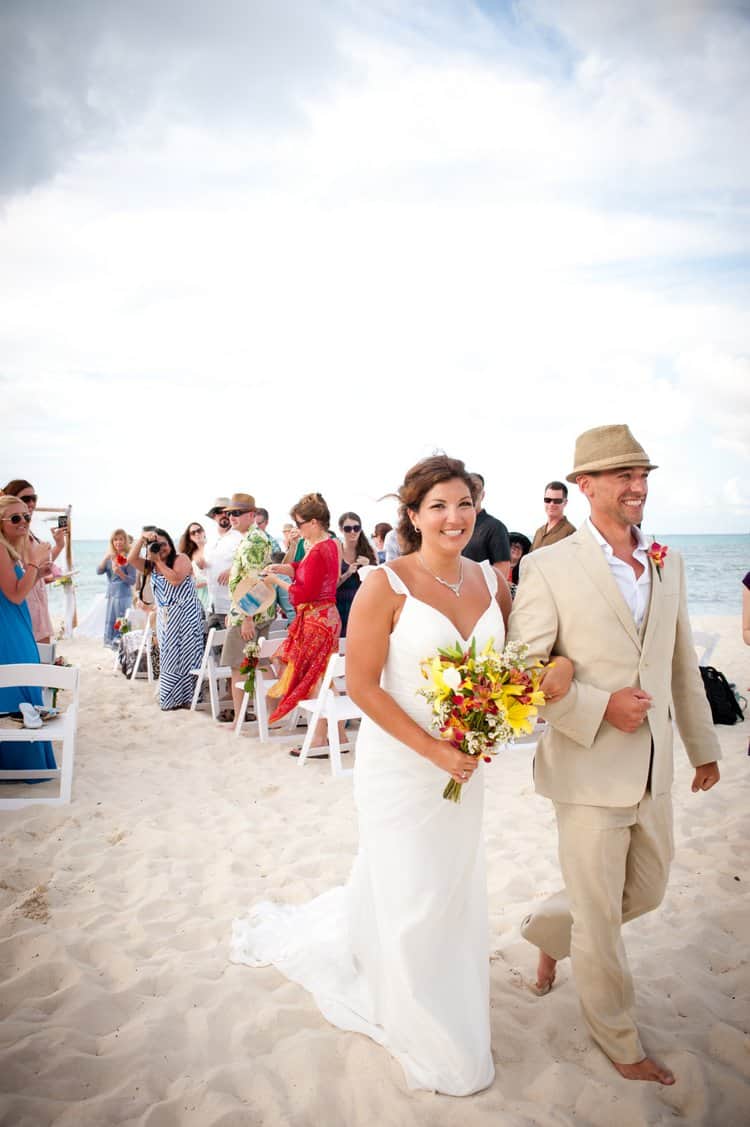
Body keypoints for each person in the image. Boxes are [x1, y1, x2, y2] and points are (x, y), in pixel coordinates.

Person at [233, 456, 572, 1094]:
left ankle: (440, 978)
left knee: (450, 884)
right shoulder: (384, 585)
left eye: (465, 504)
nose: (454, 517)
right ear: (412, 516)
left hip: (465, 765)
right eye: (439, 506)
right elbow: (361, 686)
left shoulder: (493, 584)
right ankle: (424, 1021)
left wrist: (537, 687)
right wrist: (434, 750)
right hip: (401, 764)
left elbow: (517, 665)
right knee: (412, 886)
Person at [508, 424, 721, 1086]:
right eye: (622, 474)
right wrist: (598, 706)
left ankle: (548, 931)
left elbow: (680, 658)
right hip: (586, 764)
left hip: (656, 767)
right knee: (600, 920)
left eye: (643, 474)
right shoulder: (546, 565)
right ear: (585, 485)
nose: (637, 486)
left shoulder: (668, 560)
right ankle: (620, 1040)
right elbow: (521, 671)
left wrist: (702, 744)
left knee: (647, 889)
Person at [265, 493, 341, 744]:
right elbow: (305, 571)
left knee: (316, 677)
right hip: (326, 616)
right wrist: (285, 569)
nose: (298, 529)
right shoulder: (328, 544)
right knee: (322, 675)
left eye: (300, 524)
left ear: (314, 522)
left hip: (316, 618)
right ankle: (336, 735)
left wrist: (276, 581)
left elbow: (302, 593)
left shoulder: (319, 549)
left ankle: (320, 737)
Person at [0, 494, 56, 777]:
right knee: (16, 687)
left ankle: (19, 765)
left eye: (26, 517)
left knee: (23, 685)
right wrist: (34, 562)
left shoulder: (8, 548)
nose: (23, 522)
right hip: (7, 629)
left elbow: (18, 587)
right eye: (15, 518)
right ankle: (20, 767)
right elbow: (14, 594)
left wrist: (37, 570)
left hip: (16, 624)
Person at [127, 528, 204, 710]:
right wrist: (141, 539)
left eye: (164, 544)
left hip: (186, 615)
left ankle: (188, 698)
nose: (161, 548)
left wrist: (158, 562)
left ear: (170, 543)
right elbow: (131, 559)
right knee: (169, 657)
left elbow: (175, 579)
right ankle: (170, 699)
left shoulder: (181, 559)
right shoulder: (151, 565)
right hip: (166, 618)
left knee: (188, 656)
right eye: (157, 545)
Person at [223, 494, 275, 721]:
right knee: (260, 664)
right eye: (230, 513)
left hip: (250, 612)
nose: (231, 517)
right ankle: (273, 716)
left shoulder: (253, 540)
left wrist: (246, 617)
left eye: (237, 513)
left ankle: (240, 718)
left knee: (239, 666)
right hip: (251, 610)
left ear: (251, 515)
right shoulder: (252, 538)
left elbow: (253, 581)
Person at [2, 479, 68, 643]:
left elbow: (35, 564)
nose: (31, 503)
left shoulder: (27, 532)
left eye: (34, 498)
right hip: (24, 604)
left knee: (41, 660)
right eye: (26, 499)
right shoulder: (12, 537)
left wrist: (59, 545)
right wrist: (36, 563)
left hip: (37, 601)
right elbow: (23, 569)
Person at [462, 472, 511, 582]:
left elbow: (502, 571)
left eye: (476, 490)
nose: (472, 495)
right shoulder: (455, 526)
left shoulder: (495, 527)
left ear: (482, 495)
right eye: (469, 490)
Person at [335, 512, 377, 636]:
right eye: (348, 529)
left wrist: (368, 567)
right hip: (340, 607)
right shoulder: (337, 552)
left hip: (363, 606)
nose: (353, 532)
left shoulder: (370, 551)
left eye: (356, 528)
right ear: (341, 530)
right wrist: (347, 574)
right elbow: (331, 586)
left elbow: (377, 584)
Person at [202, 497, 241, 630]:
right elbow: (204, 572)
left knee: (234, 650)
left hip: (232, 607)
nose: (224, 515)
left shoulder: (240, 537)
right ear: (214, 515)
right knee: (215, 648)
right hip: (213, 606)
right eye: (219, 511)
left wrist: (232, 570)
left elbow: (252, 566)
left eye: (228, 512)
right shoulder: (210, 540)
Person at [97, 529, 137, 646]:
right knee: (111, 620)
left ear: (125, 541)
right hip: (112, 595)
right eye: (115, 539)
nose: (118, 542)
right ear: (112, 542)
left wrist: (121, 573)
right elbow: (99, 571)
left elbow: (132, 580)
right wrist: (105, 558)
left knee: (122, 621)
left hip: (123, 595)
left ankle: (122, 645)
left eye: (121, 539)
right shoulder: (111, 557)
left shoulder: (129, 557)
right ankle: (111, 643)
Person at [530, 480, 576, 552]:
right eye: (547, 500)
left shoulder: (571, 532)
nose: (551, 504)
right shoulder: (539, 532)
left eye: (557, 501)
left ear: (565, 502)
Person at [178, 522, 210, 614]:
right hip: (199, 596)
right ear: (190, 537)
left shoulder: (212, 548)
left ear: (203, 532)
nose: (197, 534)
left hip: (215, 592)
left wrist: (207, 582)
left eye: (199, 530)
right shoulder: (189, 555)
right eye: (193, 533)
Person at [508, 531, 532, 596]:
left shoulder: (526, 570)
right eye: (512, 546)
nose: (515, 549)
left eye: (519, 547)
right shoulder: (497, 566)